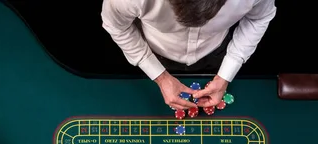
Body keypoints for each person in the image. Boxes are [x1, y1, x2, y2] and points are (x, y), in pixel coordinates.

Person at [101, 0, 276, 111]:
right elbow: (117, 26)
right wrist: (160, 77)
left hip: (217, 51)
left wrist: (226, 74)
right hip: (155, 52)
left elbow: (259, 18)